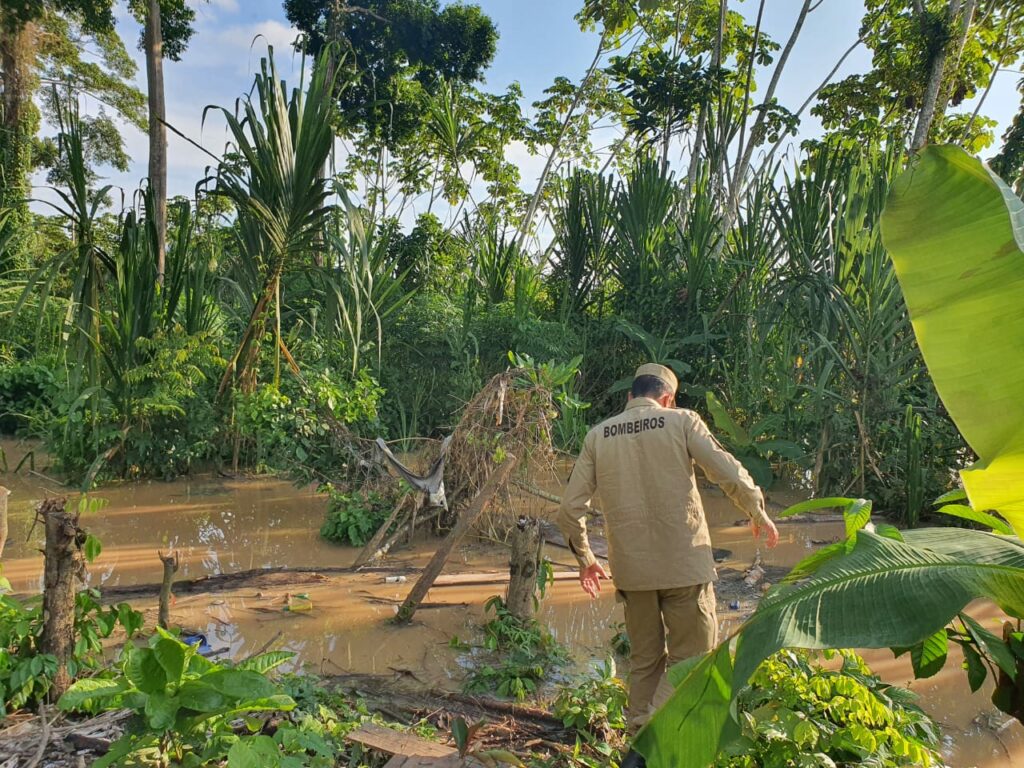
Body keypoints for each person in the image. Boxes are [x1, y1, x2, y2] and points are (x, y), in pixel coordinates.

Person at [558, 363, 779, 736]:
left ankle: (634, 742)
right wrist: (755, 509)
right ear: (668, 398)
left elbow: (568, 509)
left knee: (644, 665)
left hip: (632, 573)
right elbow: (726, 471)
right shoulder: (682, 421)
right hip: (684, 567)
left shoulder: (598, 436)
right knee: (691, 661)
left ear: (630, 397)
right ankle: (645, 744)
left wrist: (586, 559)